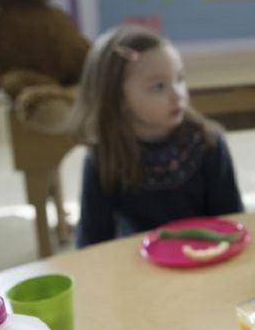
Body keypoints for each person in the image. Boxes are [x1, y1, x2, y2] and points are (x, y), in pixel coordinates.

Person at [70, 25, 242, 247]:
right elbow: (92, 244)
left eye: (179, 79)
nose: (177, 94)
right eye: (159, 86)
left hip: (207, 260)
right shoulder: (103, 159)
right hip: (138, 269)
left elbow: (232, 223)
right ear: (118, 98)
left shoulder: (208, 142)